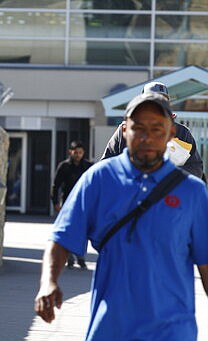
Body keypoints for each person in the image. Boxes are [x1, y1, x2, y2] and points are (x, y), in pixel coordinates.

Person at [35, 92, 208, 340]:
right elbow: (62, 238)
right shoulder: (99, 179)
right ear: (124, 130)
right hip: (111, 328)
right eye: (138, 128)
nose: (147, 138)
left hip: (172, 331)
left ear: (171, 134)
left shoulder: (192, 191)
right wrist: (48, 282)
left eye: (157, 129)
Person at [101, 81, 204, 179]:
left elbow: (196, 168)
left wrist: (168, 174)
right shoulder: (126, 128)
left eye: (162, 100)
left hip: (169, 192)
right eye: (152, 100)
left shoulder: (181, 132)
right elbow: (106, 164)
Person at [50, 140, 93, 269]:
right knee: (68, 230)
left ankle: (80, 257)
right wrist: (55, 202)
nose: (78, 155)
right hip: (67, 203)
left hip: (84, 203)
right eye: (75, 152)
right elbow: (56, 185)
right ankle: (69, 258)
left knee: (83, 231)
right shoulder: (64, 166)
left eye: (80, 152)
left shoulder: (88, 166)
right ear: (71, 152)